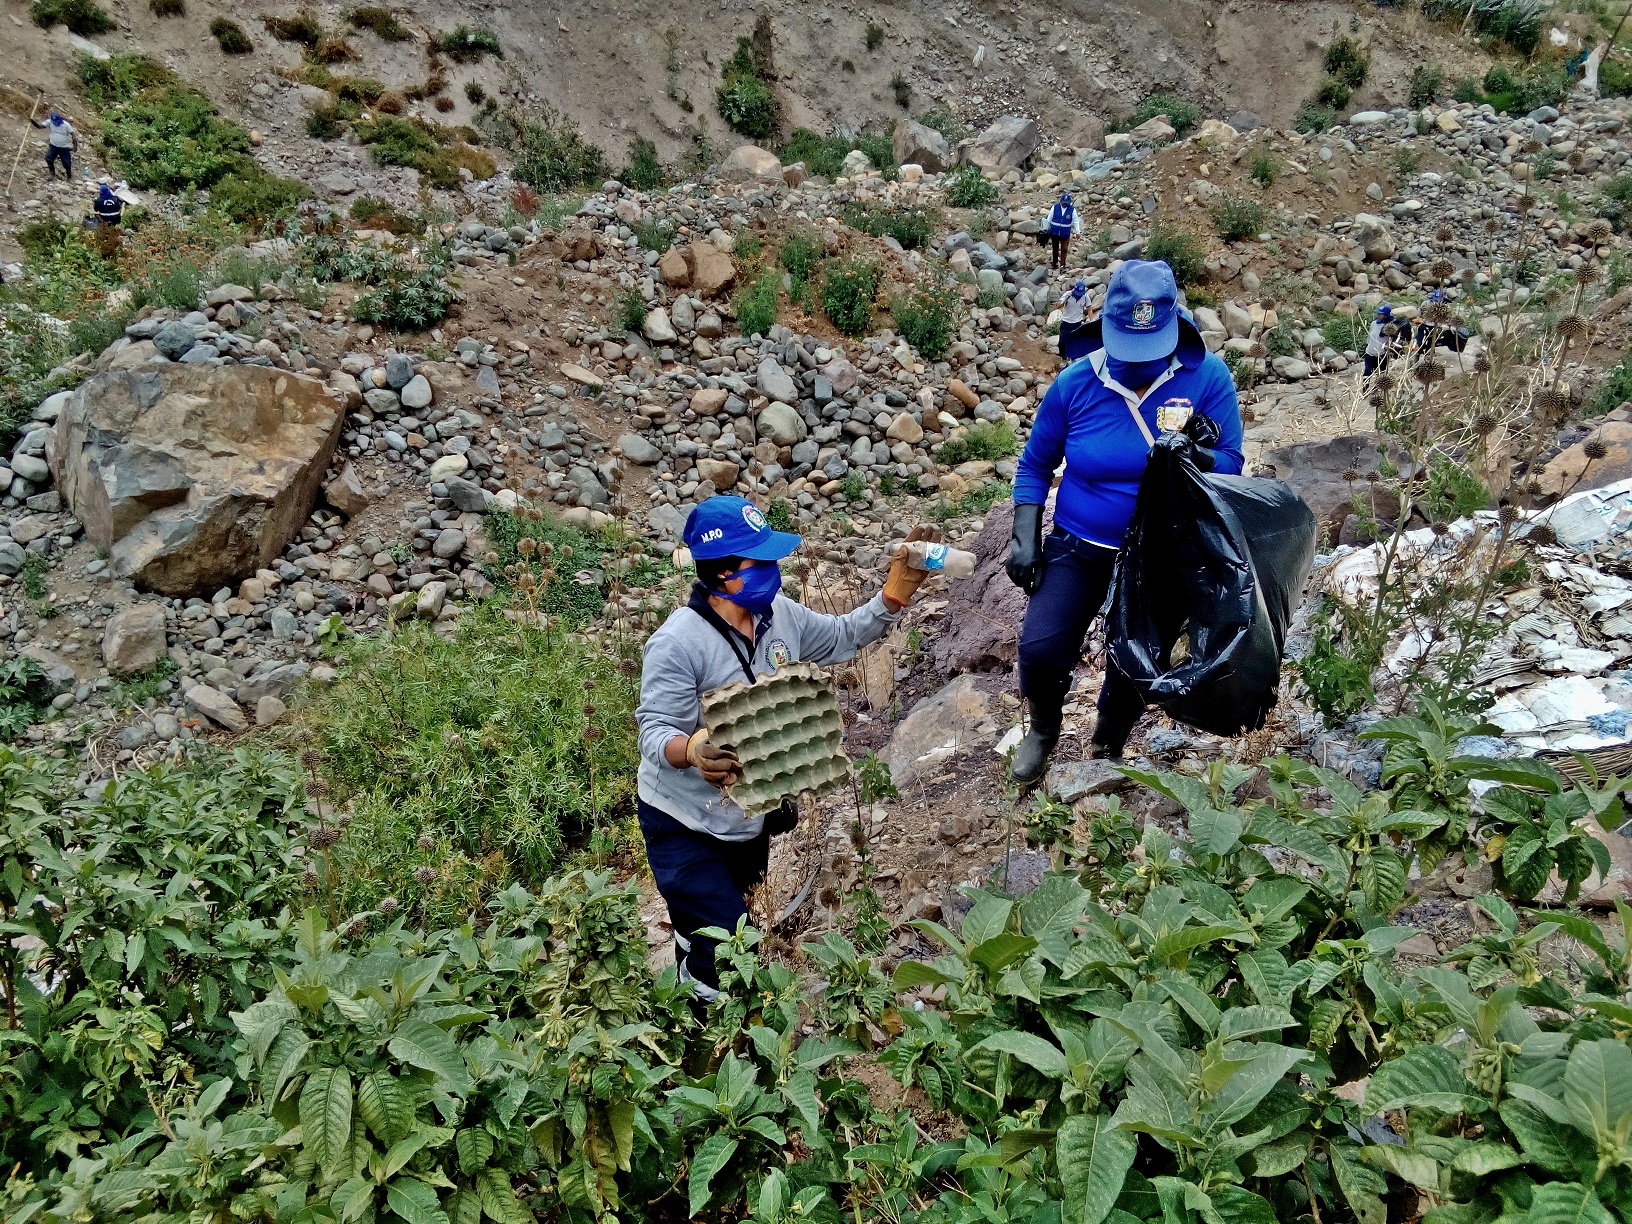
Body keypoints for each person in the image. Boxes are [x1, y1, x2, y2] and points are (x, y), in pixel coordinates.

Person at [635, 495, 938, 995]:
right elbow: (654, 730)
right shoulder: (678, 643)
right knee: (732, 947)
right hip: (683, 821)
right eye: (760, 562)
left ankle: (689, 956)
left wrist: (892, 596)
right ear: (722, 573)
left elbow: (841, 636)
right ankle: (707, 1023)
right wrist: (691, 749)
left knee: (723, 916)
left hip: (747, 815)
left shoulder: (779, 615)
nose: (773, 570)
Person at [1006, 259, 1244, 782]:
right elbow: (1035, 464)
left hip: (1162, 552)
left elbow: (1231, 462)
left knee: (1135, 661)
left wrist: (1195, 455)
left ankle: (1108, 743)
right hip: (1080, 542)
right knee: (1041, 650)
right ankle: (1043, 730)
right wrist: (1025, 534)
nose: (1138, 362)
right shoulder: (1075, 383)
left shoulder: (1207, 377)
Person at [32, 110, 77, 181]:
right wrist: (33, 122)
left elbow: (73, 135)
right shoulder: (50, 122)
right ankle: (52, 174)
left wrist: (75, 146)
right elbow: (40, 126)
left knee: (67, 163)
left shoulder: (66, 124)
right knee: (48, 159)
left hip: (64, 147)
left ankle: (69, 177)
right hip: (53, 145)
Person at [1058, 279, 1092, 362]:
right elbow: (1058, 306)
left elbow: (1089, 309)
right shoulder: (1068, 294)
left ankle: (1074, 358)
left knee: (1075, 342)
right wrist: (1064, 299)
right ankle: (1063, 357)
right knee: (1062, 342)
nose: (1079, 295)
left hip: (1077, 323)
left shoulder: (1085, 297)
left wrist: (1092, 320)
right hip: (1066, 322)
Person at [1047, 191, 1082, 270]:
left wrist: (1078, 232)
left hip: (1065, 233)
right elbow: (1049, 219)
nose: (1064, 204)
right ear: (1060, 201)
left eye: (1066, 203)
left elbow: (1075, 221)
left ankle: (1063, 265)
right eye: (1063, 203)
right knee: (1055, 248)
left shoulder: (1072, 210)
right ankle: (1055, 263)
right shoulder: (1055, 207)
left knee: (1064, 249)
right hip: (1054, 232)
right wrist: (1046, 229)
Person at [1364, 304, 1393, 378]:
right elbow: (1369, 337)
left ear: (1385, 316)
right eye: (1378, 313)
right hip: (1370, 353)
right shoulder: (1373, 323)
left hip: (1382, 354)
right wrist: (1366, 346)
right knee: (1367, 373)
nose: (1378, 315)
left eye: (1380, 314)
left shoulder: (1389, 327)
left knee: (1381, 375)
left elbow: (1391, 340)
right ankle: (1365, 385)